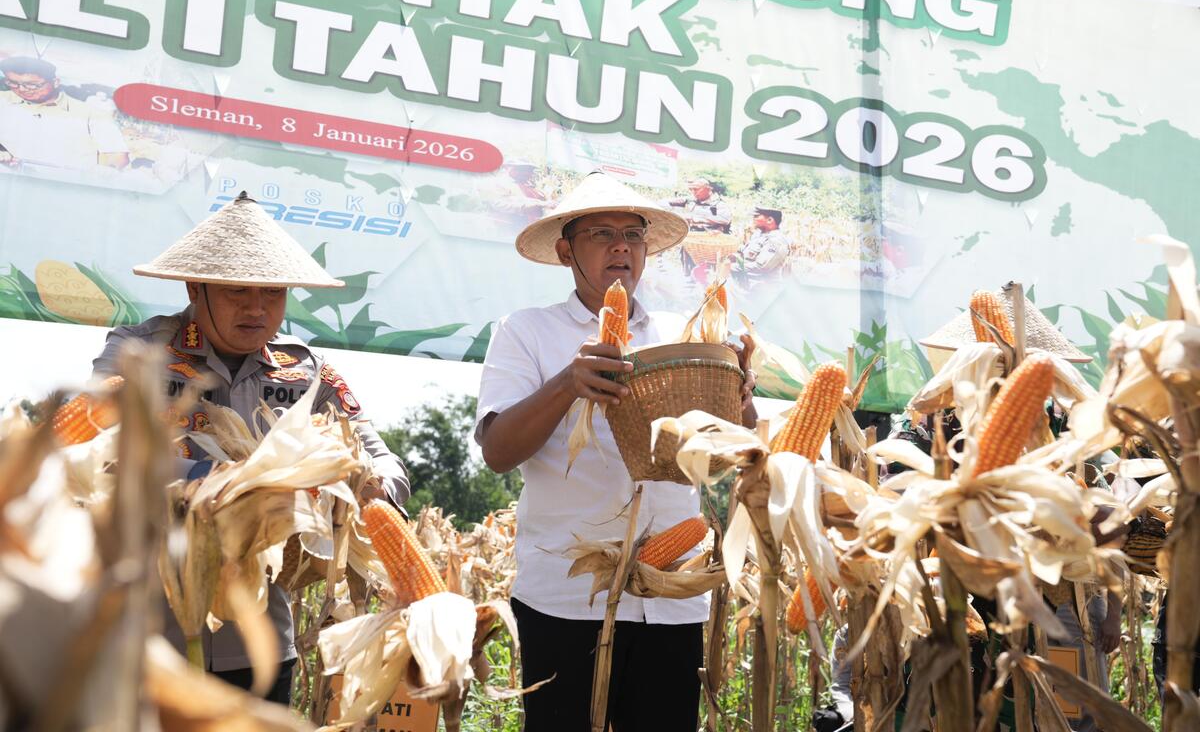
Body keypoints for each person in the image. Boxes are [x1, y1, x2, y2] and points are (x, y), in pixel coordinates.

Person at [91, 192, 409, 703]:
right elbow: (102, 445)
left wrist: (370, 490)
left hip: (260, 641)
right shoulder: (138, 352)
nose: (258, 309)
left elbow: (378, 453)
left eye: (273, 293)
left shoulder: (308, 370)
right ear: (196, 288)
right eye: (238, 291)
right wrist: (237, 484)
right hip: (148, 632)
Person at [475, 172, 756, 731]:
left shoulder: (686, 335)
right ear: (566, 251)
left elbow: (730, 454)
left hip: (672, 592)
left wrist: (739, 398)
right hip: (566, 593)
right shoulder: (526, 332)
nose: (621, 246)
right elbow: (498, 451)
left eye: (633, 234)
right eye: (602, 234)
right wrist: (566, 383)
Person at [0, 55, 129, 170]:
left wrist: (99, 174)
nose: (21, 89)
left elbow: (116, 157)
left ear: (55, 82)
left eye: (32, 85)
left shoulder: (92, 115)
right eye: (12, 83)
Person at [732, 207, 790, 285]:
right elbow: (747, 251)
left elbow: (760, 267)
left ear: (769, 220)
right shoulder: (759, 234)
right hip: (746, 281)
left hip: (761, 287)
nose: (753, 219)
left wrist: (731, 267)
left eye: (756, 216)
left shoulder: (776, 241)